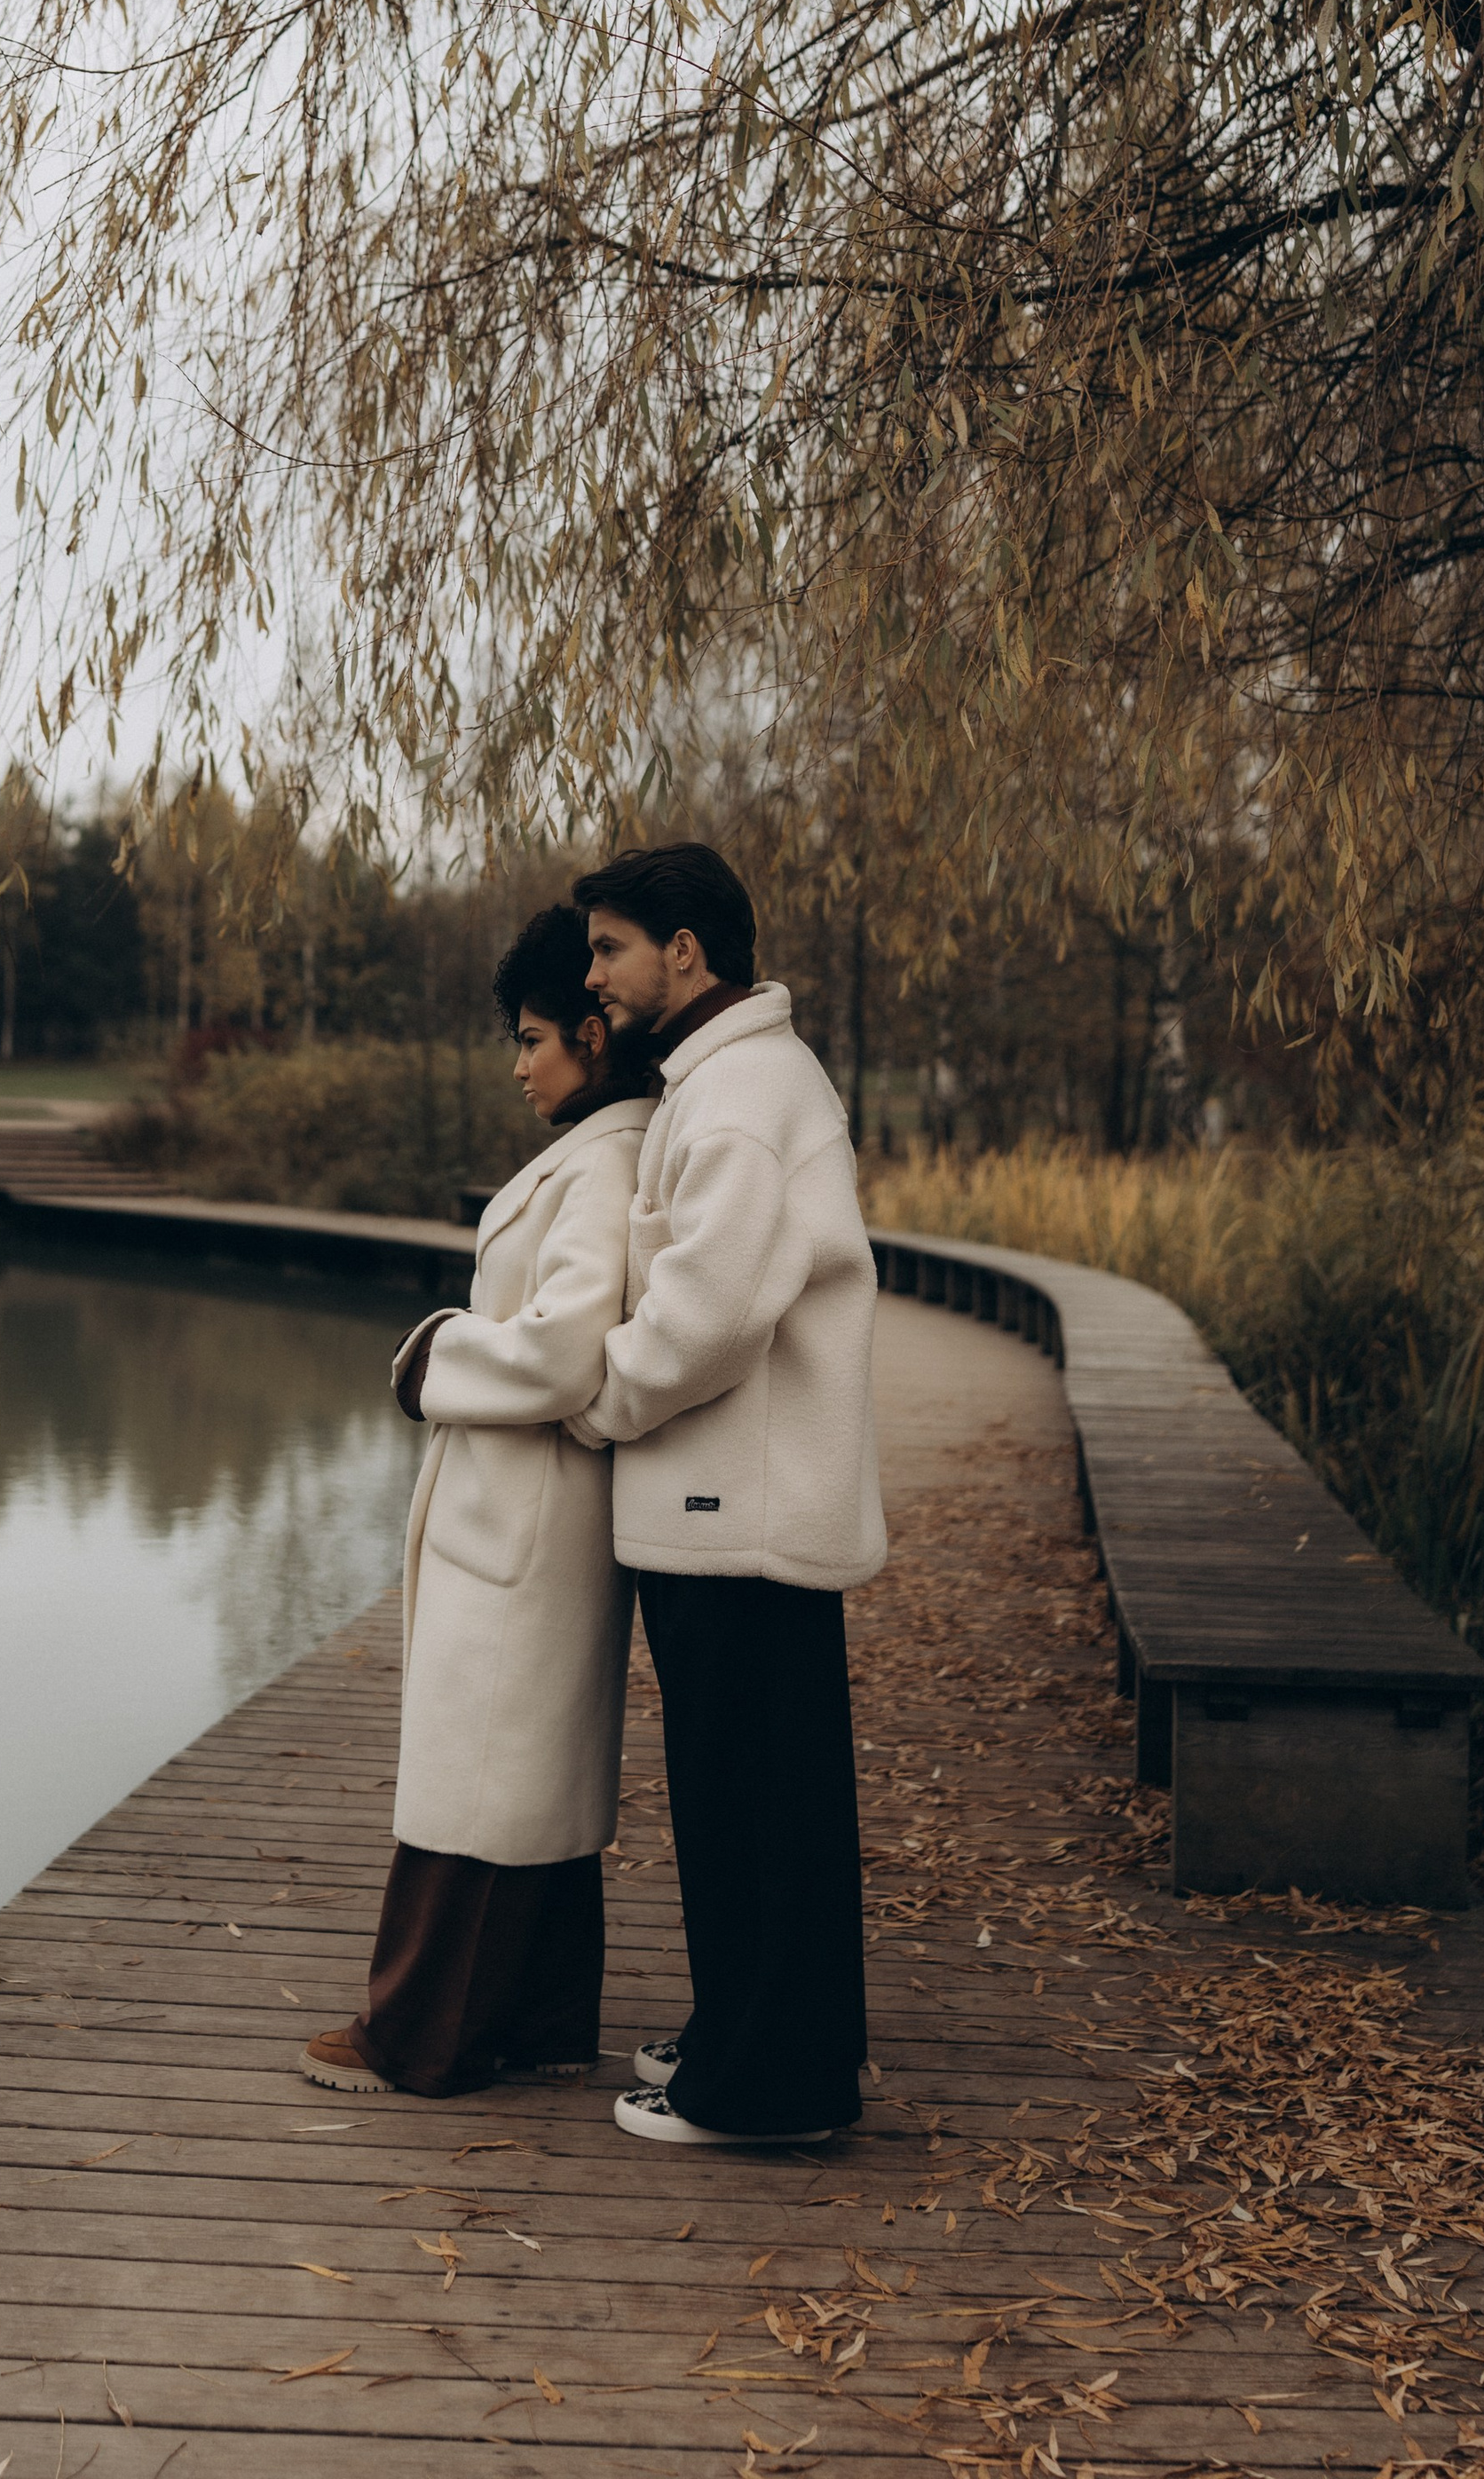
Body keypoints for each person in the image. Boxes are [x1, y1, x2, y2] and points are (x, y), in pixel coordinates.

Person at [298, 904, 657, 2098]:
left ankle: (421, 2035)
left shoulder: (604, 1164)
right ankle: (538, 2019)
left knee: (483, 1780)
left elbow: (564, 1352)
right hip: (525, 1512)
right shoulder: (595, 1152)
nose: (519, 1064)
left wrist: (431, 1357)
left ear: (597, 1038)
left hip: (530, 1516)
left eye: (535, 1036)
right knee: (521, 1778)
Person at [566, 840, 886, 2149]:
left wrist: (600, 1397)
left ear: (684, 953)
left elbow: (707, 1317)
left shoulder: (742, 1092)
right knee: (764, 1795)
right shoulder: (730, 1077)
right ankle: (777, 2039)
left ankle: (764, 2090)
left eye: (609, 949)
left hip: (733, 1507)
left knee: (750, 1797)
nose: (596, 976)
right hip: (738, 1500)